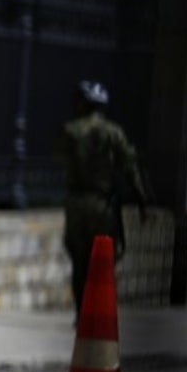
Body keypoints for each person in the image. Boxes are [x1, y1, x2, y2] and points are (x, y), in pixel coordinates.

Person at [57, 80, 147, 319]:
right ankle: (97, 311)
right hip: (102, 205)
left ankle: (80, 313)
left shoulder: (70, 131)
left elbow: (63, 161)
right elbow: (129, 167)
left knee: (79, 261)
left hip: (76, 203)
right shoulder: (113, 133)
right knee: (103, 261)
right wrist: (141, 199)